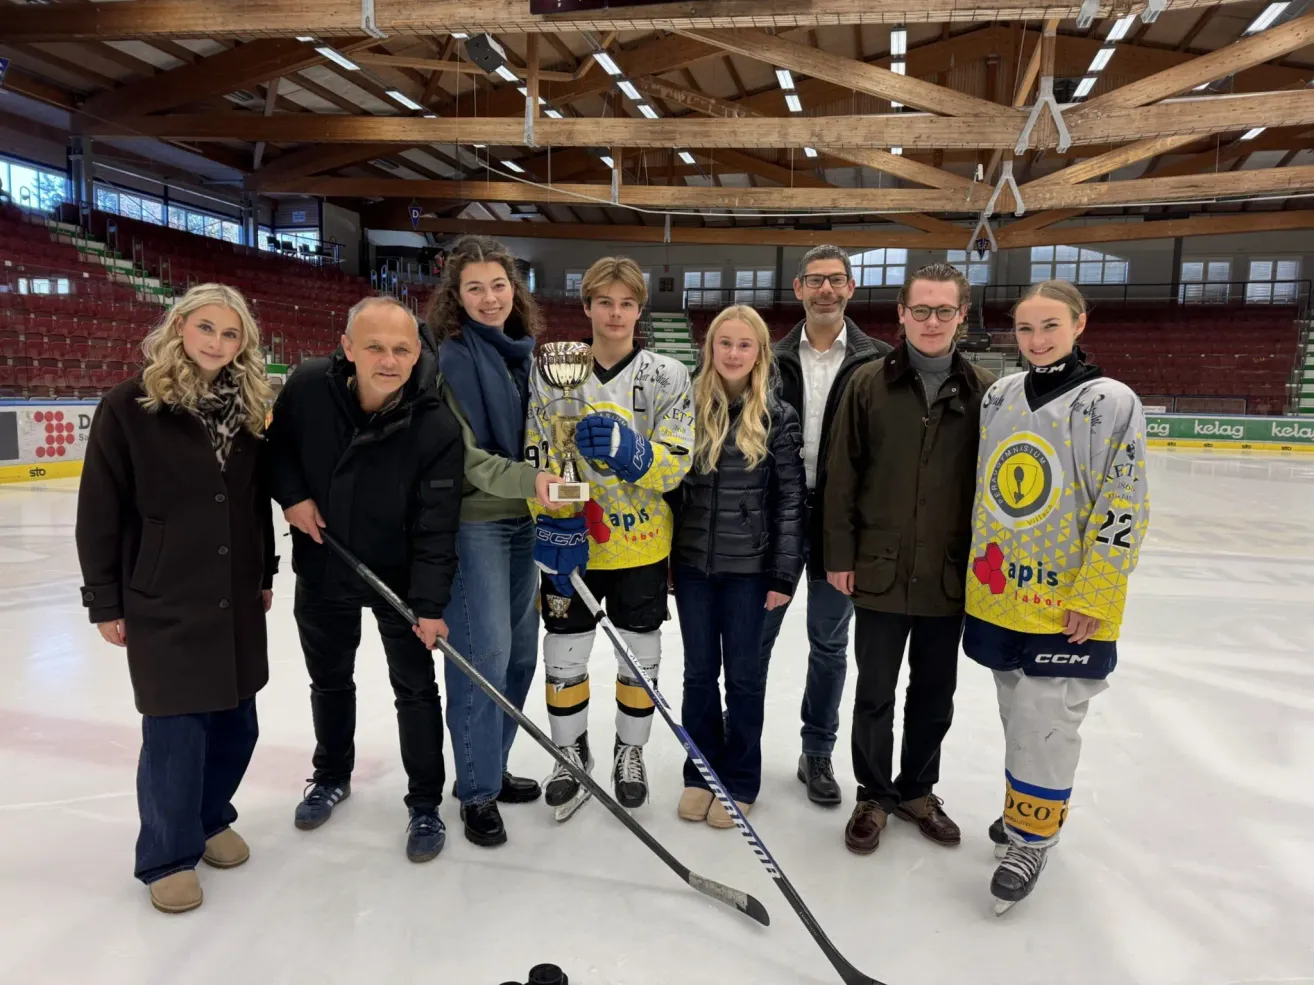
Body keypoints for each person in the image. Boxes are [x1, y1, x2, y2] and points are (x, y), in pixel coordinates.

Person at [75, 284, 277, 914]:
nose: (218, 343)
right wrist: (103, 600)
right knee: (175, 733)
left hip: (235, 591)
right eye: (206, 328)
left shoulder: (248, 408)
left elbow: (251, 502)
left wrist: (265, 569)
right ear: (180, 328)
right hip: (163, 593)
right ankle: (167, 853)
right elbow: (99, 510)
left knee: (238, 721)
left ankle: (210, 817)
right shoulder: (129, 407)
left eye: (231, 334)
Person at [963, 280, 1149, 913]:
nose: (1037, 340)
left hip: (1068, 604)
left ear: (1079, 324)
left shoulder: (1111, 401)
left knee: (1049, 723)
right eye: (1025, 329)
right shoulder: (1000, 395)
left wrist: (1094, 595)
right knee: (1018, 715)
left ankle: (1031, 837)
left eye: (1050, 326)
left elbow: (1125, 505)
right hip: (1001, 592)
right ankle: (1027, 810)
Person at [265, 295, 464, 864]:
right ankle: (330, 775)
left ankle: (424, 802)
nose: (388, 359)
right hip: (326, 562)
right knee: (329, 679)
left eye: (402, 348)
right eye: (374, 346)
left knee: (415, 689)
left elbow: (436, 526)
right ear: (348, 347)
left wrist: (428, 605)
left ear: (417, 351)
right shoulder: (306, 387)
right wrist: (293, 496)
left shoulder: (434, 423)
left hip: (399, 578)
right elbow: (277, 451)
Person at [823, 264, 996, 855]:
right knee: (874, 689)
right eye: (920, 310)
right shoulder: (868, 383)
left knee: (934, 692)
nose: (930, 322)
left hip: (948, 574)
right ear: (900, 313)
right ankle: (873, 793)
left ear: (961, 317)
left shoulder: (985, 392)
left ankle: (918, 790)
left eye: (943, 311)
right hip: (878, 567)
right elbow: (841, 477)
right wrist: (839, 555)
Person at [526, 256, 694, 820]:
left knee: (639, 658)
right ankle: (570, 754)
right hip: (569, 541)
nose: (615, 313)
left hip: (642, 542)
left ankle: (631, 751)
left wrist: (634, 453)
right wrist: (550, 513)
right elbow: (535, 450)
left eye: (626, 303)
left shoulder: (668, 373)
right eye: (605, 302)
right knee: (564, 653)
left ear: (640, 308)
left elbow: (677, 463)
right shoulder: (550, 367)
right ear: (587, 305)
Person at [426, 235, 566, 848]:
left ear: (516, 291)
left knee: (519, 657)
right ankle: (476, 790)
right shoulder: (449, 360)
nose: (489, 298)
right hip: (479, 520)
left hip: (526, 519)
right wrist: (534, 480)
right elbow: (468, 460)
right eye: (475, 288)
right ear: (456, 297)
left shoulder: (525, 355)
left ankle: (492, 765)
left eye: (499, 285)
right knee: (483, 658)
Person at [759, 244, 892, 807]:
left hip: (843, 526)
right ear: (798, 289)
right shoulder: (767, 355)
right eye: (815, 281)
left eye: (836, 280)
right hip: (773, 521)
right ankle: (738, 744)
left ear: (852, 287)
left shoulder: (881, 360)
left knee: (829, 646)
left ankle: (817, 751)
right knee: (754, 641)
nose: (826, 291)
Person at [672, 305, 806, 827]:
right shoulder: (686, 407)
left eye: (743, 345)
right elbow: (672, 491)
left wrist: (783, 573)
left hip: (750, 572)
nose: (733, 353)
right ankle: (700, 771)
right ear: (710, 349)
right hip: (693, 568)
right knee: (699, 675)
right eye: (724, 343)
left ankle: (741, 778)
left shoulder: (777, 416)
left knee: (745, 679)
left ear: (759, 353)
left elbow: (791, 501)